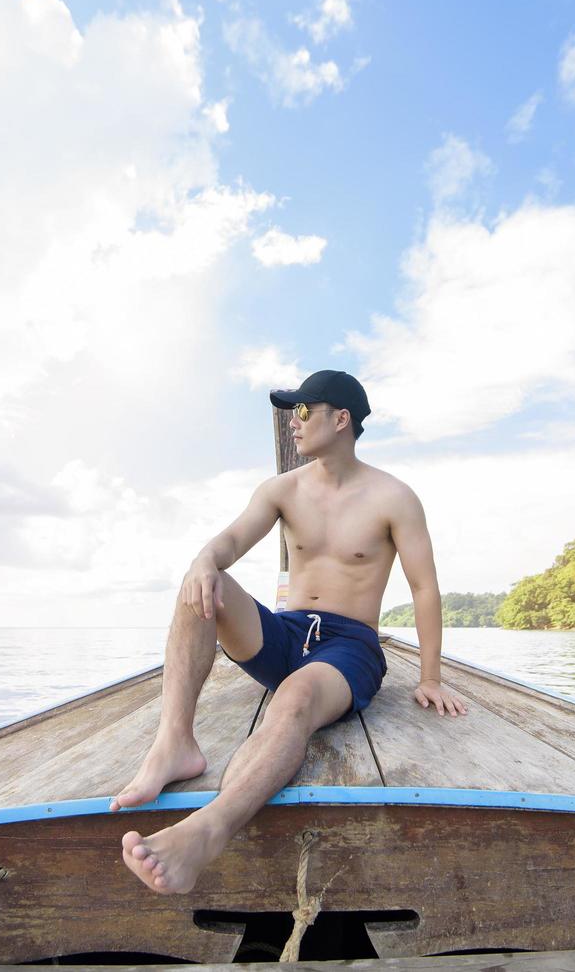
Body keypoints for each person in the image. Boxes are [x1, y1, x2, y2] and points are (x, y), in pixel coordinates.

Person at [111, 369, 467, 894]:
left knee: (296, 696)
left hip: (349, 647)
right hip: (286, 632)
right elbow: (229, 540)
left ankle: (208, 830)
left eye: (302, 411)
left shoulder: (394, 497)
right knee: (201, 584)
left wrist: (431, 677)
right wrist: (206, 561)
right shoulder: (282, 490)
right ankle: (174, 743)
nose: (293, 424)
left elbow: (424, 589)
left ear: (340, 419)